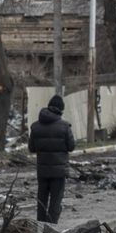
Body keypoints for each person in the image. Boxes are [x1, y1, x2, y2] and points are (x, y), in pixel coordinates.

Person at [29, 93, 76, 224]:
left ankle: (39, 228)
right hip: (59, 171)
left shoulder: (35, 127)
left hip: (42, 171)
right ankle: (50, 229)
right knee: (55, 202)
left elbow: (31, 148)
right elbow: (71, 146)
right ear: (61, 109)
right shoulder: (65, 126)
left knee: (41, 201)